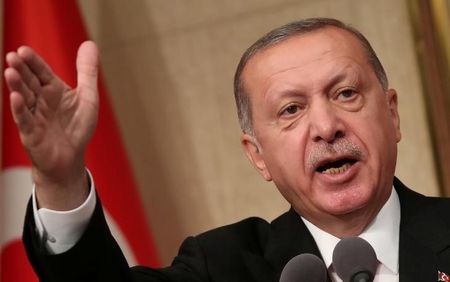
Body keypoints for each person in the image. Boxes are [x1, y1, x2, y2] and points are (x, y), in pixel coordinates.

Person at [4, 17, 450, 282]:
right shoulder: (224, 266)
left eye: (346, 94)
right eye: (291, 108)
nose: (326, 127)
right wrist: (61, 181)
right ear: (257, 156)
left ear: (391, 115)